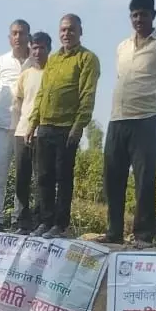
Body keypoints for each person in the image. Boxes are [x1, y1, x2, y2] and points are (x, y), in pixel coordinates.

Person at [104, 0, 156, 246]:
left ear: (153, 16)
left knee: (145, 179)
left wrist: (155, 104)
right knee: (113, 178)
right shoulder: (122, 47)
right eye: (134, 15)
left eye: (143, 14)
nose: (139, 19)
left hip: (146, 120)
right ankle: (113, 232)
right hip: (117, 119)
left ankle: (143, 235)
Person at [27, 15, 100, 239]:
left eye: (71, 30)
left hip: (67, 128)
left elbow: (87, 94)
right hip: (45, 126)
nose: (66, 34)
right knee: (43, 177)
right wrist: (33, 123)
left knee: (63, 178)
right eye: (63, 30)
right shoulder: (54, 59)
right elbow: (42, 93)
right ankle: (45, 221)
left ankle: (60, 224)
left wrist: (79, 126)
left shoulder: (87, 59)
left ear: (80, 31)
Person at [0, 20, 31, 232]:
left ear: (28, 36)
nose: (18, 37)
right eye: (14, 33)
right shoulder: (1, 62)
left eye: (22, 33)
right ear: (9, 37)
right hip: (3, 125)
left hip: (26, 127)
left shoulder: (36, 61)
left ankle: (18, 218)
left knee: (23, 175)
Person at [11, 31, 50, 233]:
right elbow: (17, 102)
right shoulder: (25, 75)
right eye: (34, 47)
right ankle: (22, 220)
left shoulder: (53, 73)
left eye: (41, 47)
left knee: (41, 178)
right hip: (22, 131)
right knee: (21, 178)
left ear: (48, 50)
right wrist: (18, 127)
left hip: (43, 132)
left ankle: (40, 220)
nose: (37, 51)